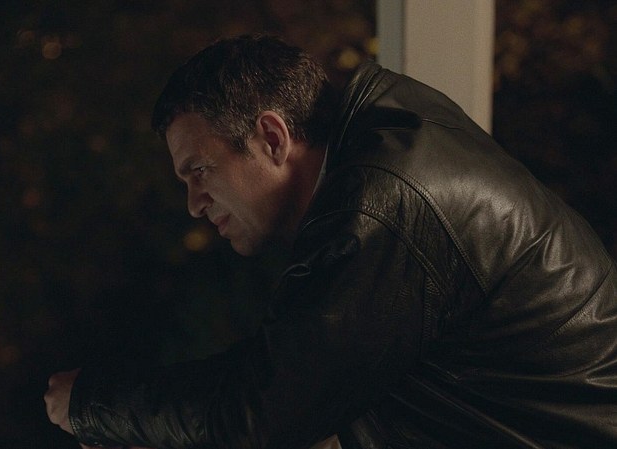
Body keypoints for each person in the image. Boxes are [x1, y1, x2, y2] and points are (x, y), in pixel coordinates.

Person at [45, 35, 617, 449]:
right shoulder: (381, 161)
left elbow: (263, 413)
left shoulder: (381, 205)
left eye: (200, 170)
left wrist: (93, 403)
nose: (194, 203)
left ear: (272, 137)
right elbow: (298, 387)